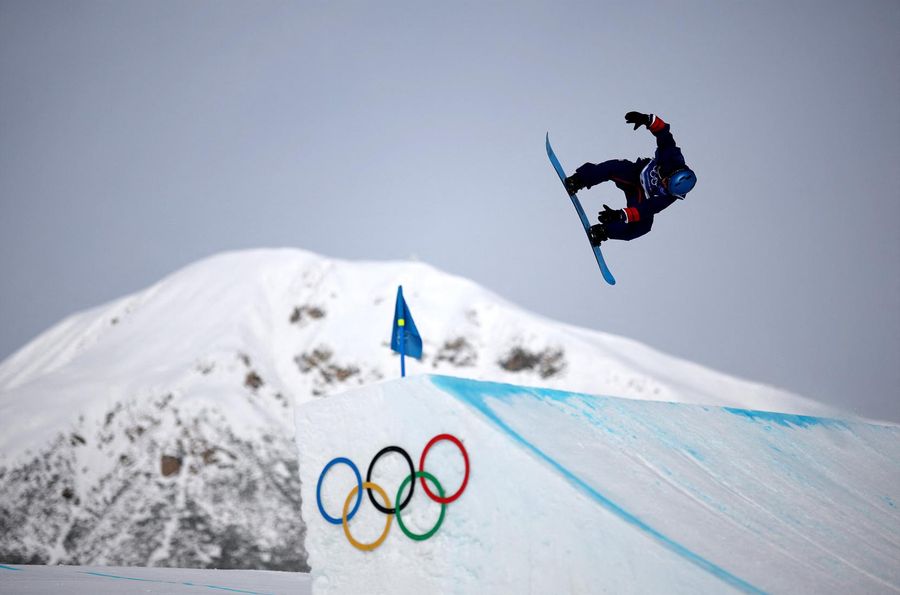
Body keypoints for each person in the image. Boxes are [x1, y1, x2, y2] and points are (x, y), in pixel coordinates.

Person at [564, 111, 697, 245]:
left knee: (643, 226)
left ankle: (603, 231)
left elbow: (647, 209)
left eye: (667, 187)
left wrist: (619, 214)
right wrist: (647, 119)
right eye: (667, 181)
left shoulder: (670, 196)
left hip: (642, 196)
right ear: (673, 173)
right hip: (635, 173)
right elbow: (663, 132)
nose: (664, 184)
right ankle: (579, 180)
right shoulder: (672, 157)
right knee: (613, 167)